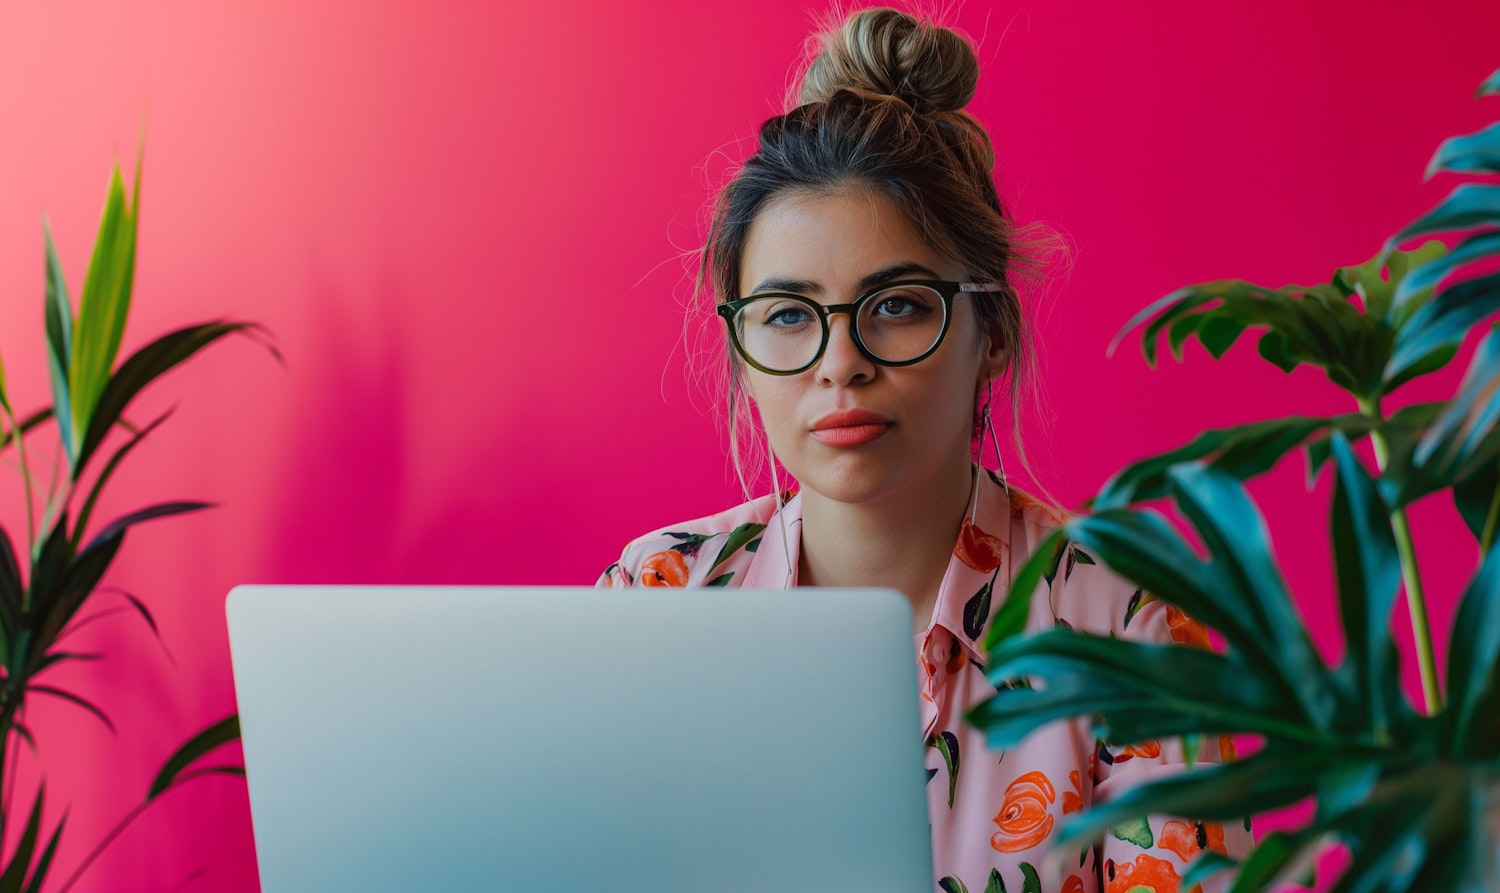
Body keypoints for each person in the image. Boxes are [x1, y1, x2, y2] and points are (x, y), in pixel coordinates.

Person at [598, 8, 1250, 891]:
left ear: (992, 333)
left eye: (898, 304)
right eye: (789, 316)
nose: (841, 364)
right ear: (742, 352)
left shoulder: (1130, 622)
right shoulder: (658, 595)